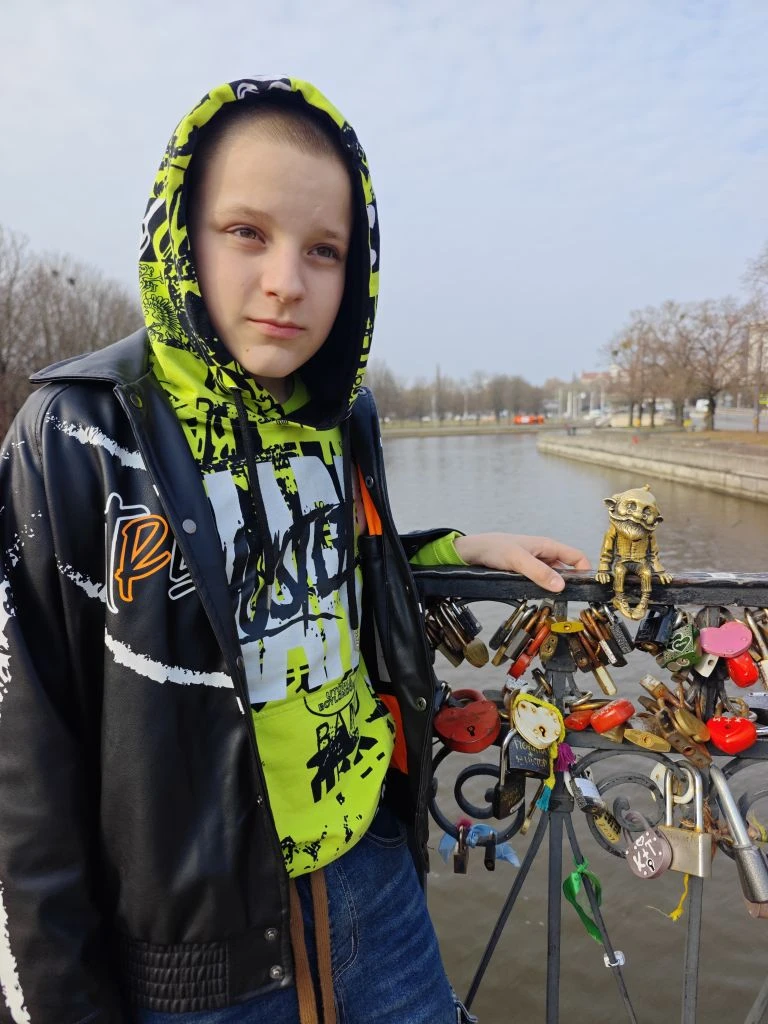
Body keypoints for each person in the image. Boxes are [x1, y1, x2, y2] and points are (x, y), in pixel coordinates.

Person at [0, 77, 589, 1023]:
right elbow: (27, 757)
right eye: (247, 232)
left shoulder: (341, 410)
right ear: (181, 234)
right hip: (201, 950)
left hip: (373, 877)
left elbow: (319, 566)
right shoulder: (77, 433)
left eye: (325, 250)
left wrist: (447, 549)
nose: (287, 281)